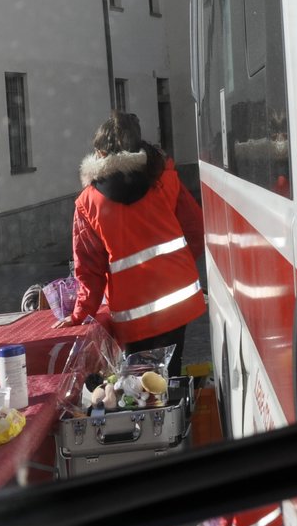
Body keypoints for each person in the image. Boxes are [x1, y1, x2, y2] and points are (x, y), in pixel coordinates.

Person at [54, 112, 205, 380]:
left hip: (133, 313)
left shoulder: (87, 203)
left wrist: (79, 314)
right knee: (172, 376)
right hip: (176, 301)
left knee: (141, 389)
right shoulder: (163, 179)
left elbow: (89, 268)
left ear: (99, 153)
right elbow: (195, 228)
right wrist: (178, 264)